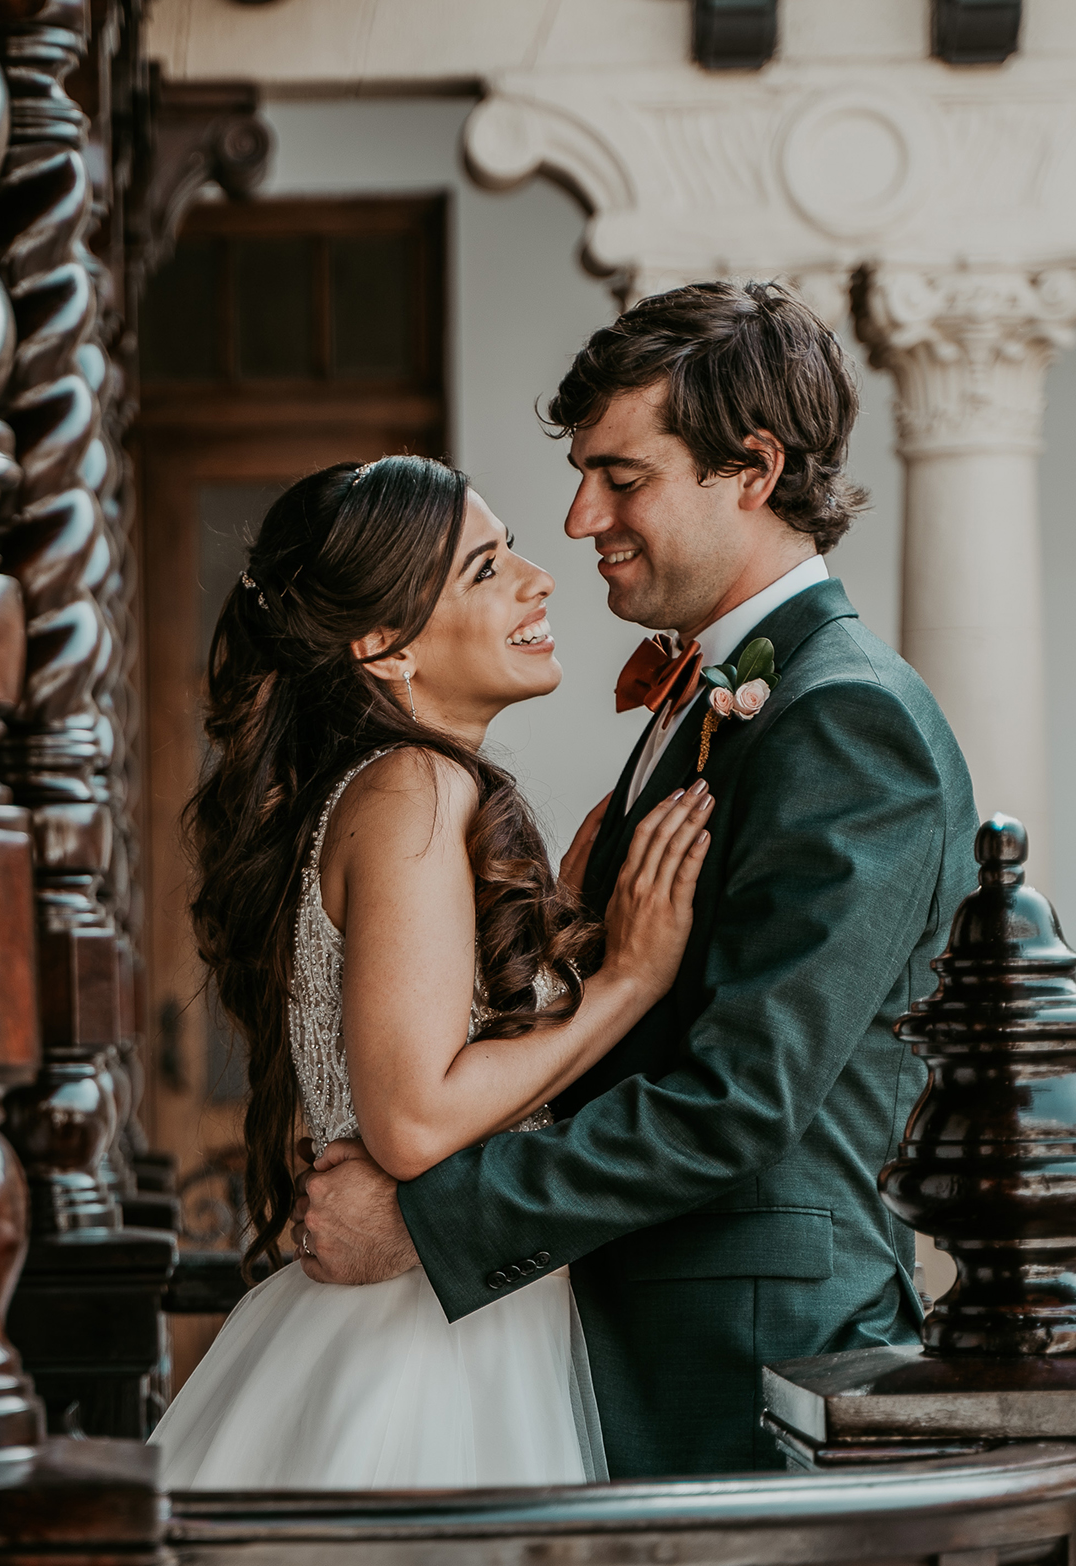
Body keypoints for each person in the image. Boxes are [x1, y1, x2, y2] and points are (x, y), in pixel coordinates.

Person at [294, 280, 980, 1482]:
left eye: (621, 476)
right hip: (629, 1321)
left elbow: (741, 1099)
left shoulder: (845, 718)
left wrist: (425, 1221)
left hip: (746, 1351)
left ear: (752, 469)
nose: (578, 518)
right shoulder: (715, 697)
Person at [127, 454, 714, 1566]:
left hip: (436, 1316)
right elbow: (409, 1116)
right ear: (383, 642)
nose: (536, 579)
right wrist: (622, 984)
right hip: (422, 1351)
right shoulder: (411, 791)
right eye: (486, 568)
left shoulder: (408, 792)